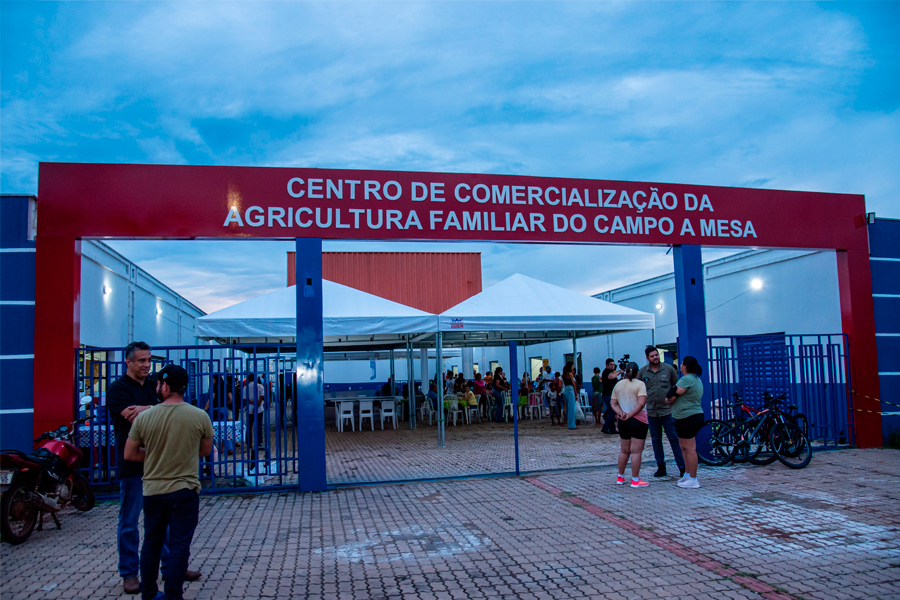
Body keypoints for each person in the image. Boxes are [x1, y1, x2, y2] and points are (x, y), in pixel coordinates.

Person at [107, 342, 200, 594]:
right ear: (128, 362)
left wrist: (148, 408)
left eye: (148, 360)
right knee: (129, 521)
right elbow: (136, 415)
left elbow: (172, 409)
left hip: (161, 464)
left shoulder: (153, 386)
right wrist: (155, 409)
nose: (147, 365)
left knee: (165, 522)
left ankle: (171, 567)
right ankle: (129, 573)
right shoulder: (117, 390)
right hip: (134, 463)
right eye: (141, 361)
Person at [124, 364, 214, 600]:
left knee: (151, 543)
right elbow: (205, 451)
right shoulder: (199, 416)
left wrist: (156, 454)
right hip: (185, 490)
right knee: (179, 546)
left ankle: (149, 593)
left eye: (158, 383)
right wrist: (179, 452)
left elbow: (130, 454)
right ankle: (174, 595)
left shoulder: (145, 417)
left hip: (153, 490)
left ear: (164, 386)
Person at [639, 346, 685, 478]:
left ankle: (681, 467)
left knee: (674, 439)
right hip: (652, 412)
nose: (655, 358)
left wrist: (672, 402)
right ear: (647, 358)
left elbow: (676, 388)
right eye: (652, 356)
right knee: (656, 440)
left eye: (656, 355)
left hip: (667, 411)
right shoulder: (643, 373)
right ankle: (661, 466)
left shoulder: (669, 369)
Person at [665, 356, 706, 489]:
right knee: (683, 446)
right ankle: (687, 474)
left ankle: (693, 479)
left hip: (689, 416)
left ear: (686, 367)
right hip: (684, 417)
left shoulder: (687, 379)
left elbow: (672, 395)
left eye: (682, 364)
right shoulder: (695, 379)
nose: (680, 365)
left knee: (690, 448)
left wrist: (669, 398)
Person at [611, 362, 650, 488]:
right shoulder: (640, 384)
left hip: (623, 421)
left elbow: (613, 403)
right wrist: (631, 414)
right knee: (636, 451)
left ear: (625, 371)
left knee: (624, 450)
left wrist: (621, 413)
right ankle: (635, 479)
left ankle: (620, 476)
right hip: (638, 420)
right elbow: (641, 404)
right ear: (637, 372)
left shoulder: (619, 384)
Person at [242, 373, 266, 471]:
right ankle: (259, 441)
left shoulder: (245, 388)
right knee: (259, 425)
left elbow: (244, 399)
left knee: (249, 426)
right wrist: (257, 403)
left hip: (249, 408)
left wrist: (252, 403)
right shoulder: (260, 386)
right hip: (259, 408)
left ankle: (249, 442)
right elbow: (262, 396)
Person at [600, 359, 623, 434]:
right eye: (611, 364)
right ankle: (605, 427)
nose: (613, 366)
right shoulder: (606, 372)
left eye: (614, 364)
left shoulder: (612, 373)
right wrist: (619, 372)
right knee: (612, 411)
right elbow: (612, 377)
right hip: (608, 395)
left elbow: (615, 381)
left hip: (612, 395)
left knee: (611, 411)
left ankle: (612, 428)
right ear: (607, 365)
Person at [562, 362, 578, 430]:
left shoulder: (563, 374)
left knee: (567, 408)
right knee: (572, 408)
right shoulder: (570, 374)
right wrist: (576, 393)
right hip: (570, 390)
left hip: (565, 390)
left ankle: (569, 423)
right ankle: (572, 425)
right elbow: (573, 384)